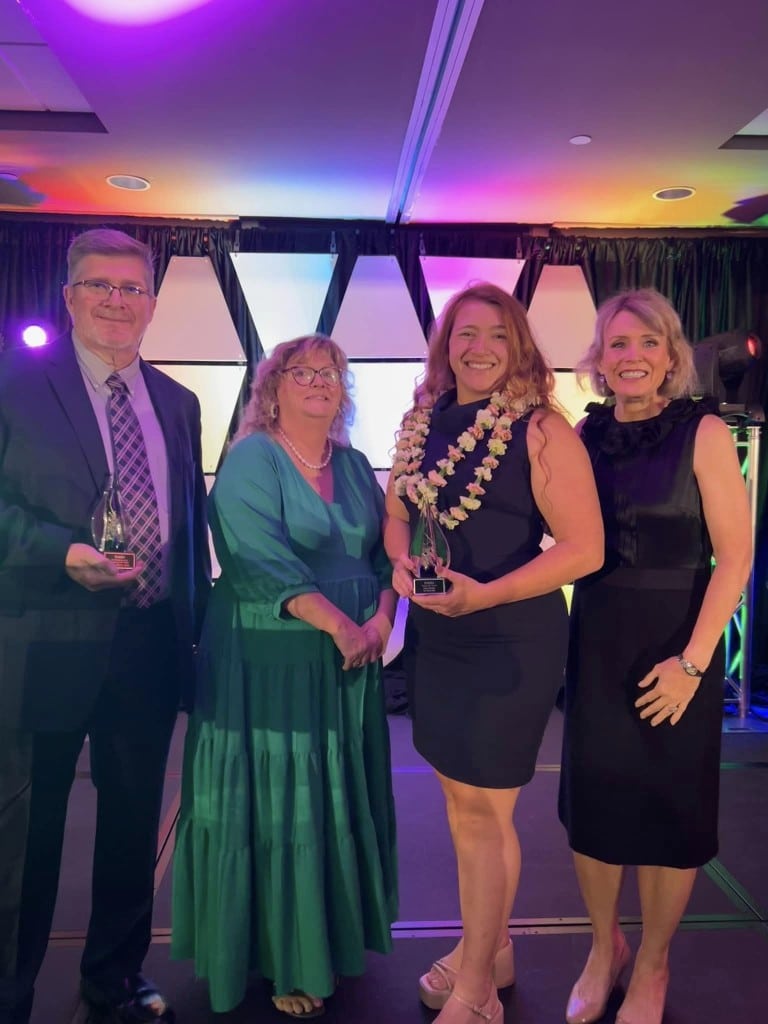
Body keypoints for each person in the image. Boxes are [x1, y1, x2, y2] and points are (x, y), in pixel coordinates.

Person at [0, 228, 211, 1024]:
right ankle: (9, 996)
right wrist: (63, 554)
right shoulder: (14, 385)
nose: (117, 302)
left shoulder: (178, 405)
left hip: (149, 645)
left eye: (131, 289)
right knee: (24, 839)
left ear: (153, 304)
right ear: (68, 298)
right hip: (40, 644)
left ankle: (114, 980)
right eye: (100, 286)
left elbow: (189, 532)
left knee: (131, 832)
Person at [384, 282, 604, 1024]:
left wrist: (485, 594)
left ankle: (478, 986)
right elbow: (398, 513)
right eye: (464, 334)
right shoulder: (424, 422)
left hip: (508, 636)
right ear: (446, 343)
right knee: (459, 803)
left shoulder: (542, 429)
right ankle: (493, 947)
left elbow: (584, 549)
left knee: (485, 813)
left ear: (519, 347)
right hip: (439, 634)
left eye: (497, 335)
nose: (478, 348)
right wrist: (397, 561)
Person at [171, 333, 398, 1019]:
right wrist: (339, 624)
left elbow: (391, 556)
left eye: (331, 373)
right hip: (267, 665)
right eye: (302, 372)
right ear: (271, 388)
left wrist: (386, 616)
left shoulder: (357, 465)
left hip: (348, 665)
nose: (319, 382)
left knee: (331, 798)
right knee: (279, 803)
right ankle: (279, 957)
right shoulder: (251, 460)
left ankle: (325, 937)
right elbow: (255, 558)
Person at [558, 288, 752, 1024]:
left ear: (672, 356)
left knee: (671, 813)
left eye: (647, 343)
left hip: (682, 644)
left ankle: (656, 965)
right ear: (599, 361)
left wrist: (695, 665)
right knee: (596, 804)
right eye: (617, 344)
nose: (632, 357)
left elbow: (734, 559)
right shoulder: (585, 434)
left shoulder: (702, 430)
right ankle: (606, 950)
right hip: (601, 637)